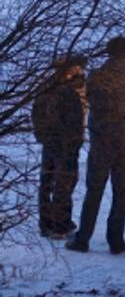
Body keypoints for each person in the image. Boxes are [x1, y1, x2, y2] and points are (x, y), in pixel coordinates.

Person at [67, 36, 125, 255]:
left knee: (94, 190)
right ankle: (116, 241)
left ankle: (83, 238)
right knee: (121, 191)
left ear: (108, 52)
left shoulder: (96, 77)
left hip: (102, 141)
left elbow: (84, 95)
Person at [33, 54, 88, 239]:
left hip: (50, 141)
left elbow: (36, 115)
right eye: (79, 67)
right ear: (70, 69)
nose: (81, 70)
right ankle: (60, 226)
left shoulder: (47, 86)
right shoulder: (67, 91)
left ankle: (47, 223)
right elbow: (72, 119)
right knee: (63, 183)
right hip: (64, 143)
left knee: (48, 181)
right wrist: (73, 140)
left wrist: (42, 136)